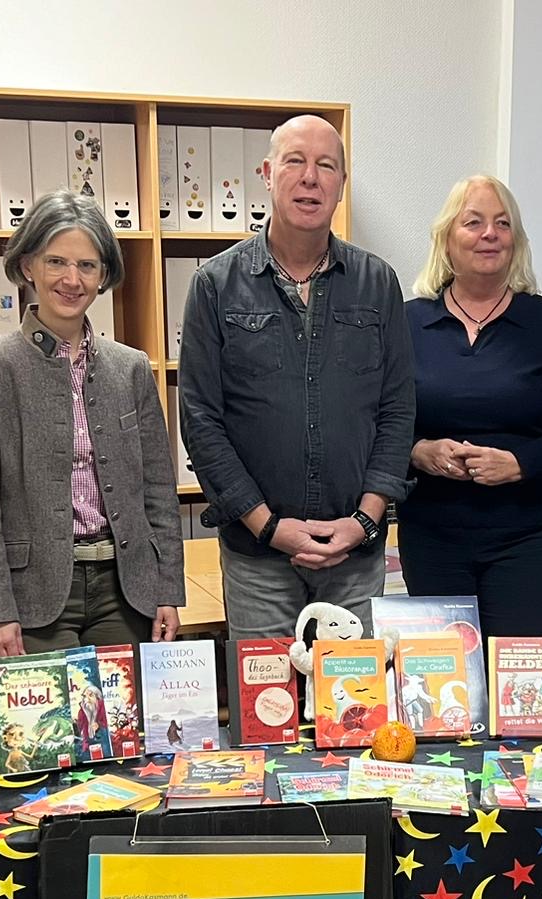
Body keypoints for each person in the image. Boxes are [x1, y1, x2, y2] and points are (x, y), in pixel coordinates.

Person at [179, 114, 415, 643]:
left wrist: (364, 521)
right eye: (295, 161)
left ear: (341, 185)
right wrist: (267, 525)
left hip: (355, 556)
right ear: (267, 174)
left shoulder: (377, 283)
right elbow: (200, 420)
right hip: (257, 559)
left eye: (326, 166)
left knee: (351, 695)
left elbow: (398, 411)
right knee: (267, 697)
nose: (310, 177)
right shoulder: (215, 285)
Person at [0, 191, 185, 656]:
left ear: (103, 276)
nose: (71, 280)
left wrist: (168, 590)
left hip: (127, 590)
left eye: (87, 266)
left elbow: (158, 489)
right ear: (28, 266)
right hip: (33, 595)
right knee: (50, 708)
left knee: (128, 706)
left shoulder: (131, 367)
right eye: (56, 261)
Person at [400, 175, 542, 637]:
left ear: (516, 241)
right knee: (442, 675)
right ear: (446, 239)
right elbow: (378, 419)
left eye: (502, 223)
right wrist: (418, 451)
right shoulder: (408, 322)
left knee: (516, 674)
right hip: (431, 537)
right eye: (473, 222)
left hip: (523, 540)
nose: (490, 233)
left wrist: (519, 463)